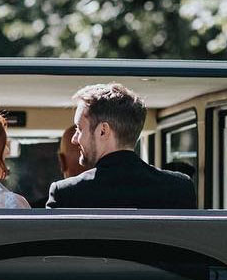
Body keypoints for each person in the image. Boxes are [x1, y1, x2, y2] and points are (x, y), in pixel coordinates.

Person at [46, 83, 196, 209]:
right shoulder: (180, 188)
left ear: (103, 131)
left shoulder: (66, 194)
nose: (74, 139)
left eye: (79, 129)